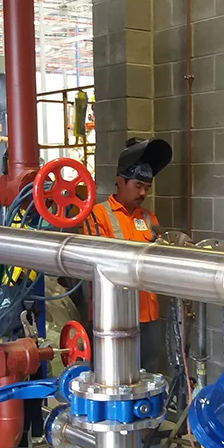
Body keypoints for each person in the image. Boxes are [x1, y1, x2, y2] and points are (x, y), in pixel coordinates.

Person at [82, 137, 173, 374]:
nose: (143, 193)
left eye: (147, 188)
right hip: (113, 317)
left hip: (148, 316)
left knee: (148, 376)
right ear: (120, 182)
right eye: (138, 186)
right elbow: (96, 263)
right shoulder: (98, 215)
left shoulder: (149, 218)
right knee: (112, 375)